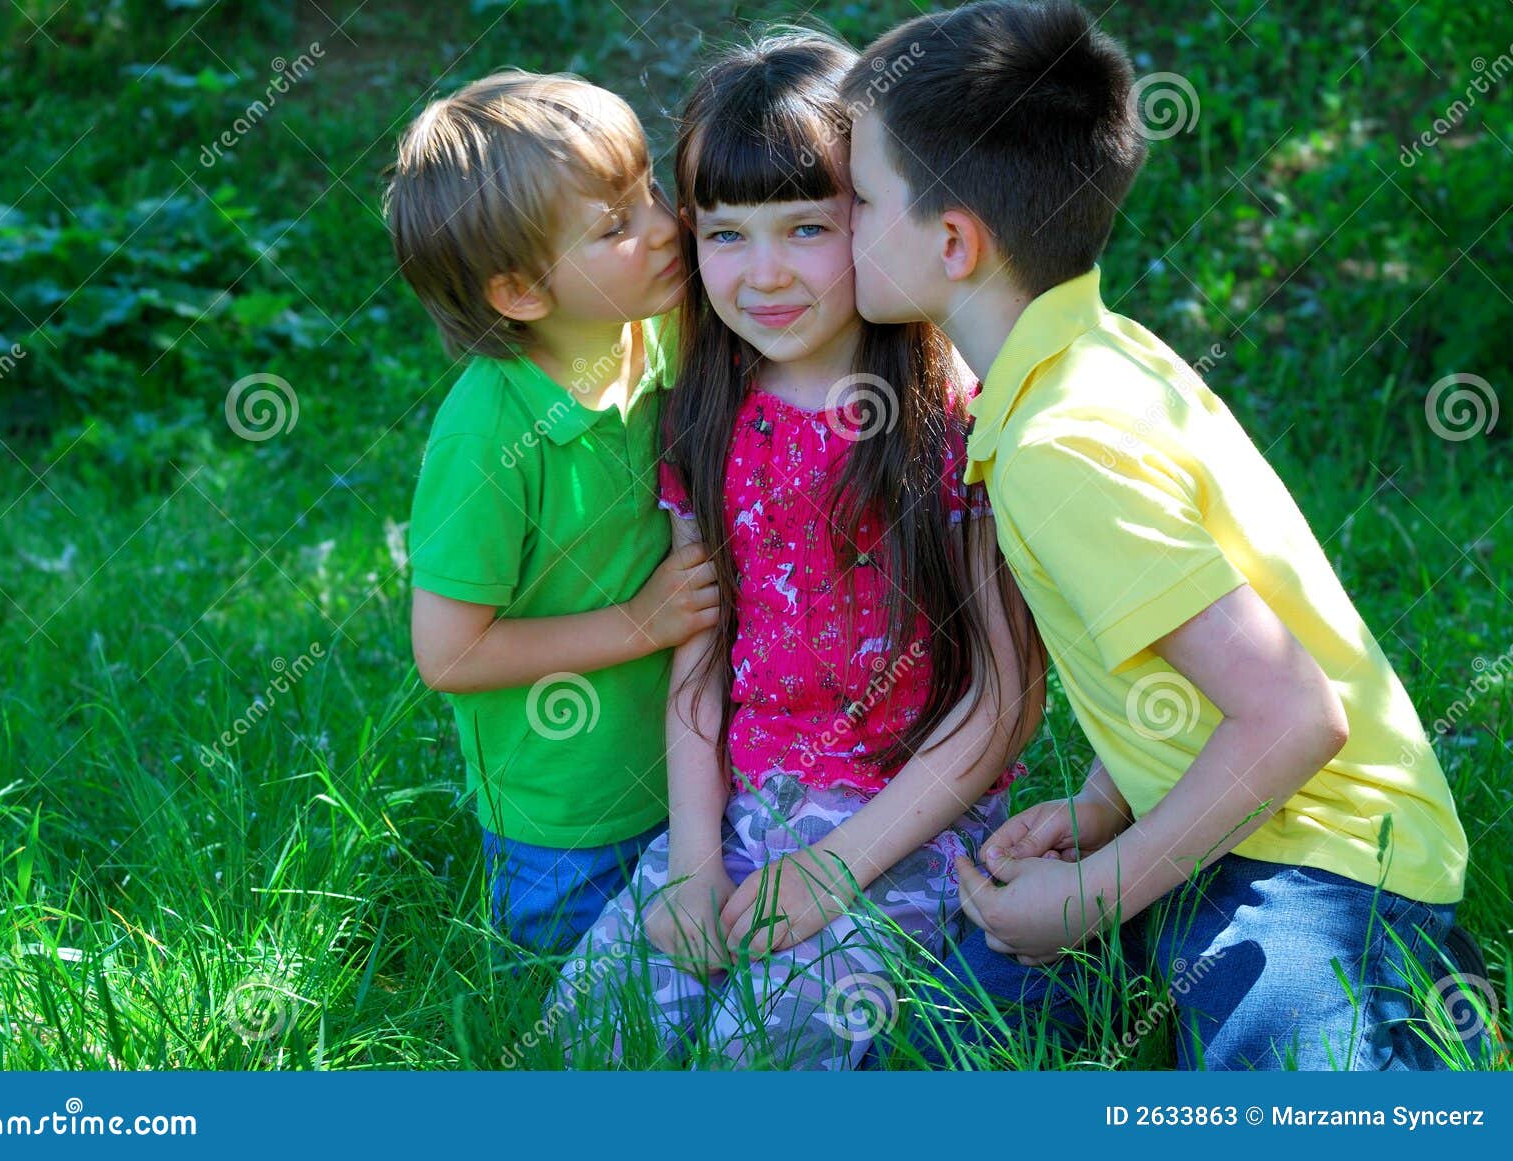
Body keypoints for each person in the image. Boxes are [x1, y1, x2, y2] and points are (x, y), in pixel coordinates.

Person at [844, 0, 1480, 1069]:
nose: (842, 222)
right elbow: (1165, 652)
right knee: (937, 1045)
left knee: (1286, 1070)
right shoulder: (1099, 355)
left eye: (859, 200)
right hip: (1201, 828)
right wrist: (1102, 807)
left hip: (1325, 862)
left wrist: (1093, 897)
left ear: (953, 242)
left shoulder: (1061, 444)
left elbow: (1292, 718)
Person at [548, 32, 1043, 1070]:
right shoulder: (703, 415)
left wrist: (833, 870)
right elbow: (700, 649)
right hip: (735, 811)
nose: (761, 274)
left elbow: (1004, 702)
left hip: (900, 825)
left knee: (755, 1064)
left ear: (875, 218)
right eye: (726, 235)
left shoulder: (962, 422)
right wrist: (690, 863)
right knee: (584, 1043)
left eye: (805, 227)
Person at [385, 71, 719, 954]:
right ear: (521, 294)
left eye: (649, 192)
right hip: (565, 819)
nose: (663, 227)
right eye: (615, 227)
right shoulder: (488, 432)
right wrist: (639, 623)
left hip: (696, 776)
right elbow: (449, 651)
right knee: (592, 1029)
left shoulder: (655, 328)